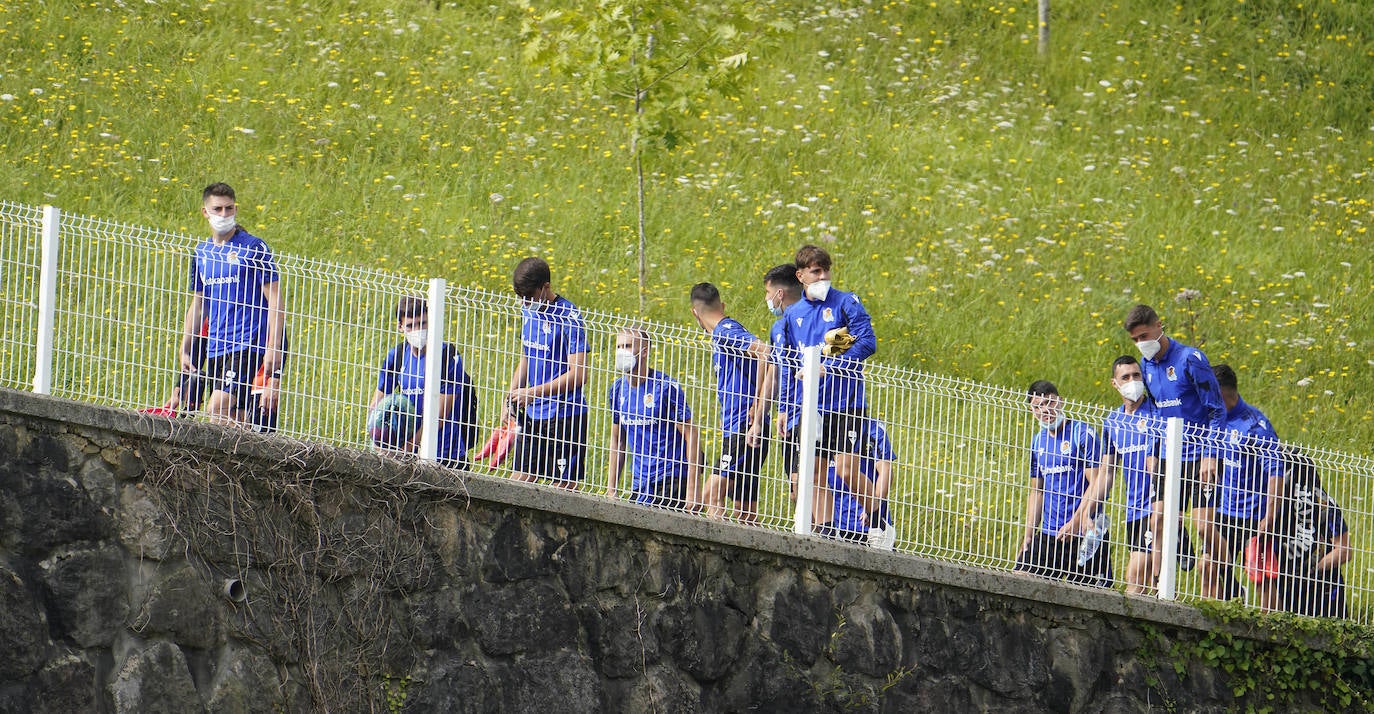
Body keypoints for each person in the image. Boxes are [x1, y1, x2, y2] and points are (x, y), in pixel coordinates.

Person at [781, 245, 881, 539]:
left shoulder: (846, 302)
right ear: (801, 276)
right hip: (810, 406)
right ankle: (826, 533)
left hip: (846, 403)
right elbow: (786, 364)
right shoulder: (792, 315)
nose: (823, 276)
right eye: (816, 271)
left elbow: (868, 341)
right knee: (813, 474)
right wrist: (785, 407)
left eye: (826, 269)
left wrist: (833, 364)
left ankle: (877, 519)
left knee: (846, 471)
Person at [1123, 304, 1224, 573]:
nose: (1141, 344)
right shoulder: (1146, 365)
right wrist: (1153, 452)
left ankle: (1224, 581)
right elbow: (1156, 412)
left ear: (1159, 326)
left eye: (1143, 336)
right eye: (1135, 340)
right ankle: (1161, 591)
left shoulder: (1190, 359)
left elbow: (1216, 409)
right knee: (1157, 521)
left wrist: (1210, 455)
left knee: (1204, 527)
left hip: (1200, 454)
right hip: (1169, 456)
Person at [179, 183, 285, 426]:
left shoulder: (253, 247)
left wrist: (274, 346)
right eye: (218, 209)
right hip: (216, 346)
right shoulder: (202, 253)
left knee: (216, 409)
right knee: (234, 417)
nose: (224, 215)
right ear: (205, 212)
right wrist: (185, 347)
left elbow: (276, 299)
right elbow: (198, 303)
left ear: (236, 209)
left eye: (229, 209)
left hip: (248, 342)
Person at [1014, 380, 1112, 588]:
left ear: (1060, 402)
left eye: (1049, 403)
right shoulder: (1037, 441)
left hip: (1084, 532)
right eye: (1037, 406)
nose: (1045, 410)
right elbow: (1037, 491)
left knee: (1092, 598)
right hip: (1051, 534)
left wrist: (1077, 521)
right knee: (1019, 579)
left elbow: (1096, 483)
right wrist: (1029, 536)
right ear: (1032, 411)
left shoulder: (1082, 434)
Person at [1081, 356, 1164, 595]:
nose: (1132, 381)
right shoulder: (1113, 422)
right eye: (1125, 377)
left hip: (1155, 508)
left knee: (1135, 575)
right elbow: (1107, 472)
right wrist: (1089, 509)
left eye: (1136, 376)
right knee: (1148, 584)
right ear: (1114, 384)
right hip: (1133, 511)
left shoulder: (1157, 414)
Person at [503, 257, 589, 489]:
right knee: (518, 483)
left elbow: (579, 374)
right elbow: (527, 356)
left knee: (561, 490)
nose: (524, 303)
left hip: (564, 415)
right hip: (533, 415)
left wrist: (533, 392)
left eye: (529, 297)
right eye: (521, 298)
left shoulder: (569, 317)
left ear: (546, 287)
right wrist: (510, 396)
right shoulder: (528, 311)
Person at [690, 282, 770, 525]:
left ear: (695, 313)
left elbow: (765, 352)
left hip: (743, 428)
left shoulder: (726, 332)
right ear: (722, 305)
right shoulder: (724, 332)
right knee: (744, 511)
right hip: (745, 427)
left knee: (710, 495)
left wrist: (757, 403)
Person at [1206, 364, 1285, 606]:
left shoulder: (1255, 425)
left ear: (1221, 393)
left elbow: (1276, 471)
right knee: (1207, 566)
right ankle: (1213, 626)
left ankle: (1271, 634)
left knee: (1261, 578)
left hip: (1254, 518)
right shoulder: (1212, 421)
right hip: (1224, 513)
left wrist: (1270, 514)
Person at [369, 297, 475, 468]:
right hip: (405, 454)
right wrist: (378, 440)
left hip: (445, 455)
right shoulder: (397, 356)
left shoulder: (448, 357)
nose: (418, 330)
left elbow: (439, 417)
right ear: (400, 326)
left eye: (423, 323)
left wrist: (408, 448)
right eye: (411, 325)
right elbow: (377, 404)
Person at [607, 327, 701, 511]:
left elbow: (692, 436)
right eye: (618, 347)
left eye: (627, 346)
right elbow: (617, 440)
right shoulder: (617, 390)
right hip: (640, 484)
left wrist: (692, 488)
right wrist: (611, 489)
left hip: (670, 480)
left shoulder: (665, 387)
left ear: (644, 352)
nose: (621, 352)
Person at [1272, 448, 1351, 618]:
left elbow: (1345, 550)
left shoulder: (1325, 505)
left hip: (1324, 589)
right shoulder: (1272, 505)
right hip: (1286, 585)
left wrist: (1316, 568)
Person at [759, 264, 805, 502]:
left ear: (779, 294)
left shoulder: (811, 320)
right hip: (790, 417)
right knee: (795, 488)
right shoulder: (778, 327)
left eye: (768, 294)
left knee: (806, 485)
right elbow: (774, 373)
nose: (767, 299)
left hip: (812, 414)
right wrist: (761, 417)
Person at [829, 419, 897, 550]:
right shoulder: (826, 428)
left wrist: (871, 507)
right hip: (837, 524)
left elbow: (886, 470)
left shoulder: (874, 428)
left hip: (872, 527)